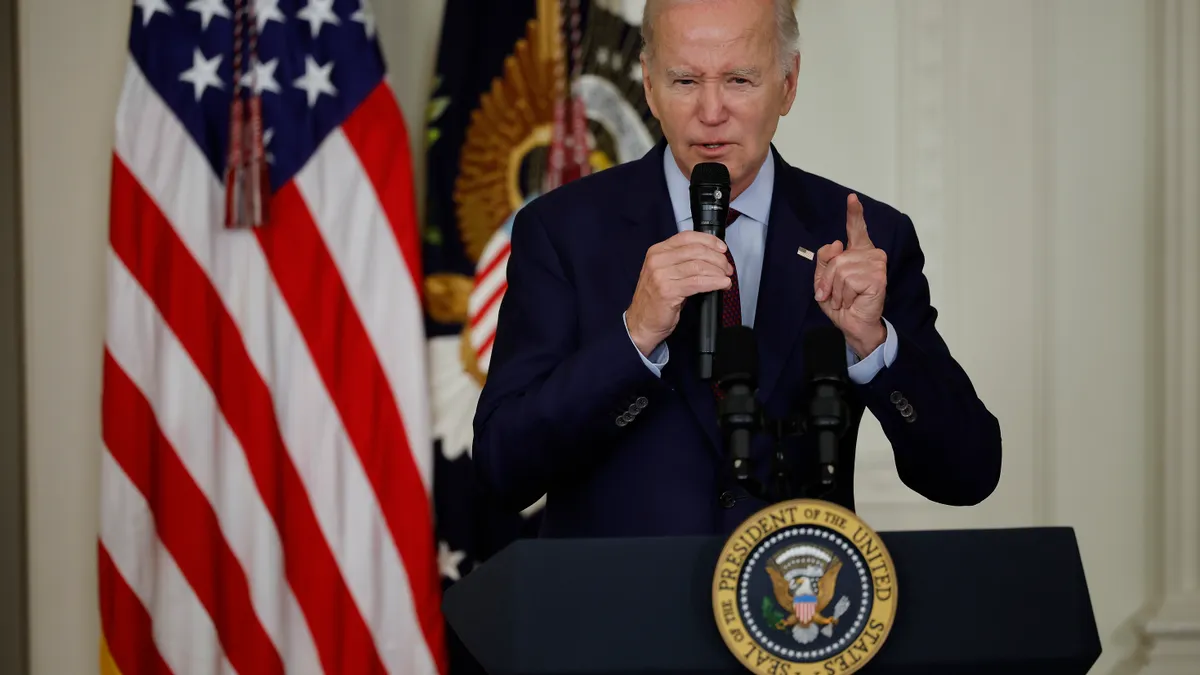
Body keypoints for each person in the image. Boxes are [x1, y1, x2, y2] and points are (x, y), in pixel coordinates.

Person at [471, 0, 1002, 538]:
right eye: (684, 80)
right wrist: (633, 339)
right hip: (619, 610)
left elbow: (968, 473)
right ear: (649, 85)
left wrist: (875, 346)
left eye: (740, 79)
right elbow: (502, 470)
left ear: (788, 85)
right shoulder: (562, 231)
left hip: (794, 606)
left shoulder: (864, 237)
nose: (710, 111)